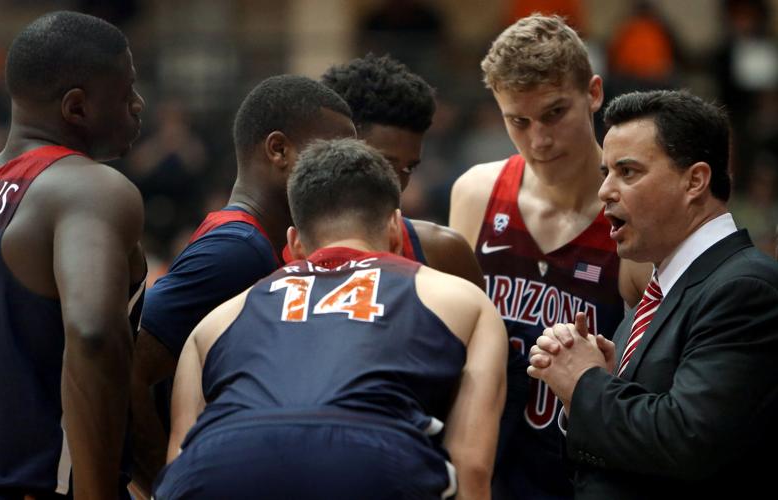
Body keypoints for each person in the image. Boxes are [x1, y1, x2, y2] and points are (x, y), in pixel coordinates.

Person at [155, 138, 508, 500]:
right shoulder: (462, 299)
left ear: (294, 245)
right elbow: (473, 466)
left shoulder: (216, 321)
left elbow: (178, 459)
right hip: (372, 459)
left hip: (216, 465)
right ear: (395, 229)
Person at [0, 11, 146, 498]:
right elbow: (93, 333)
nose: (138, 105)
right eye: (127, 92)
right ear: (77, 108)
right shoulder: (90, 190)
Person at [527, 89, 778, 498]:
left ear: (695, 180)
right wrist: (590, 394)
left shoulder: (746, 288)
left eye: (628, 172)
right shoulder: (660, 291)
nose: (605, 191)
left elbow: (687, 439)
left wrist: (586, 381)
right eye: (606, 173)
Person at [448, 14, 650, 499]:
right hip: (485, 472)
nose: (538, 139)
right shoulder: (476, 192)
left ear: (594, 93)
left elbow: (649, 387)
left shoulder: (634, 212)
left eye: (555, 113)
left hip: (581, 477)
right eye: (518, 121)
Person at [130, 75, 356, 495]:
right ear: (278, 150)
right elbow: (125, 367)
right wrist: (163, 486)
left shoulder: (252, 241)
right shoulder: (237, 250)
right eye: (332, 153)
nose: (343, 171)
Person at [310, 53, 484, 287]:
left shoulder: (442, 252)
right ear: (333, 142)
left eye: (409, 168)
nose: (397, 185)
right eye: (382, 164)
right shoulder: (271, 246)